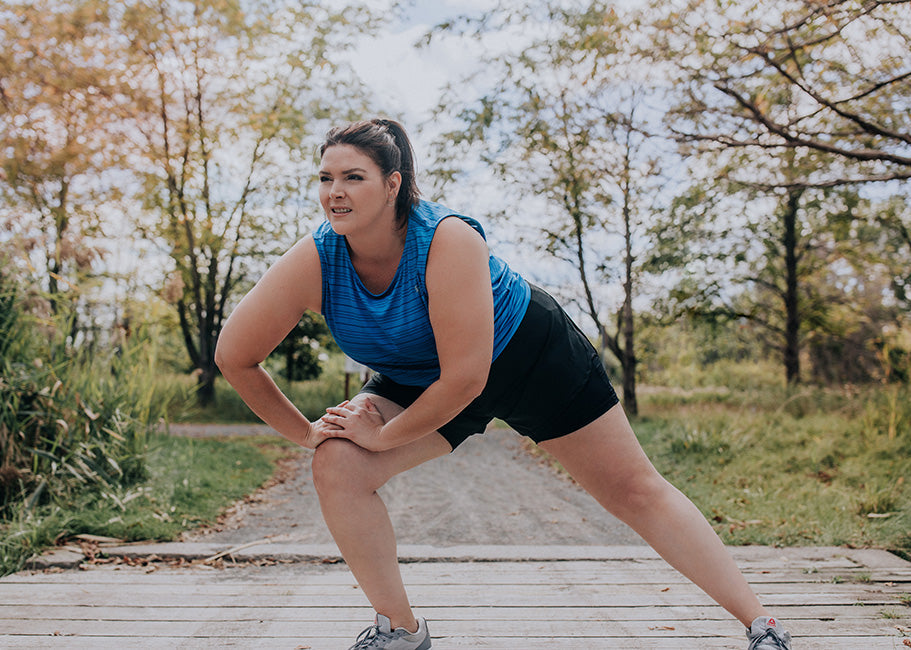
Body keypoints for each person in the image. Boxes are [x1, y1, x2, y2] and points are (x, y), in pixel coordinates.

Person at [214, 118, 793, 650]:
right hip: (423, 376)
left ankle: (762, 625)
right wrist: (312, 434)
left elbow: (468, 377)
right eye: (326, 177)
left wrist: (383, 438)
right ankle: (400, 631)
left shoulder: (447, 239)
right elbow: (235, 357)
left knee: (633, 491)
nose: (334, 191)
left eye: (353, 177)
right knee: (337, 462)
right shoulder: (316, 258)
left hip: (528, 355)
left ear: (393, 184)